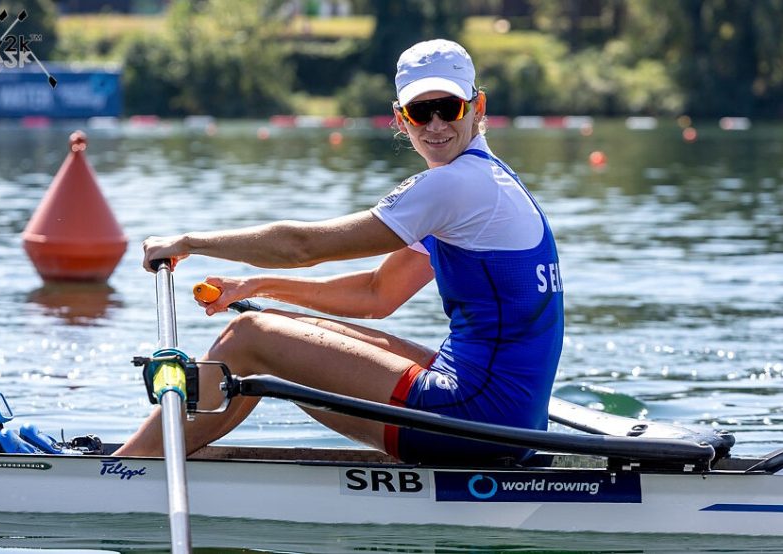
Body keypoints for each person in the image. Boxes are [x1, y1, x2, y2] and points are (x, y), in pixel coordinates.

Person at [115, 39, 564, 464]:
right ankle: (166, 449)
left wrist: (190, 243)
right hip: (512, 418)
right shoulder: (491, 181)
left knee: (249, 336)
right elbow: (376, 293)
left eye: (448, 108)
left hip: (473, 421)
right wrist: (257, 286)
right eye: (419, 112)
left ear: (477, 107)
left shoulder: (455, 185)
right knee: (288, 327)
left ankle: (129, 467)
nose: (435, 126)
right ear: (400, 116)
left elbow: (302, 246)